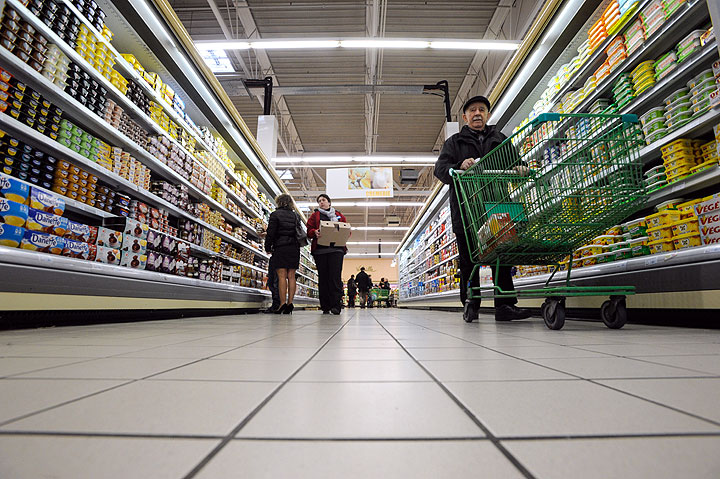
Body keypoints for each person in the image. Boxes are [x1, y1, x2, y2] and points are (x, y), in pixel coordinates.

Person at [434, 95, 531, 322]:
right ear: (465, 116)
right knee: (469, 260)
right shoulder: (454, 143)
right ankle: (471, 303)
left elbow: (516, 161)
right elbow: (440, 169)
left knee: (502, 256)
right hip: (467, 210)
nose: (477, 113)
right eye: (472, 110)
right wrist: (459, 165)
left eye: (482, 110)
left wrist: (521, 168)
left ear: (487, 114)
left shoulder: (500, 139)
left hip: (496, 207)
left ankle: (505, 305)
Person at [306, 194, 348, 315]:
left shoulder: (339, 215)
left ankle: (336, 305)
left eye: (323, 200)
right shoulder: (315, 216)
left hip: (337, 250)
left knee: (335, 278)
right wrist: (315, 232)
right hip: (320, 251)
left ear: (329, 203)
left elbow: (347, 230)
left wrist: (343, 234)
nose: (321, 202)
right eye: (319, 201)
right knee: (323, 278)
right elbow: (308, 231)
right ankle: (325, 306)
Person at [264, 193, 300, 315]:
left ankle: (282, 304)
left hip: (281, 247)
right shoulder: (295, 216)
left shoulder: (275, 215)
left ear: (278, 202)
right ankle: (290, 303)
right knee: (291, 276)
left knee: (281, 276)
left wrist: (267, 247)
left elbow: (271, 233)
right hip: (294, 248)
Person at [258, 225, 280, 313]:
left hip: (277, 253)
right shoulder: (293, 218)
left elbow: (274, 235)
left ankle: (276, 305)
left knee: (274, 281)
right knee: (277, 281)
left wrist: (267, 247)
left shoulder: (275, 217)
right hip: (286, 254)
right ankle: (280, 304)